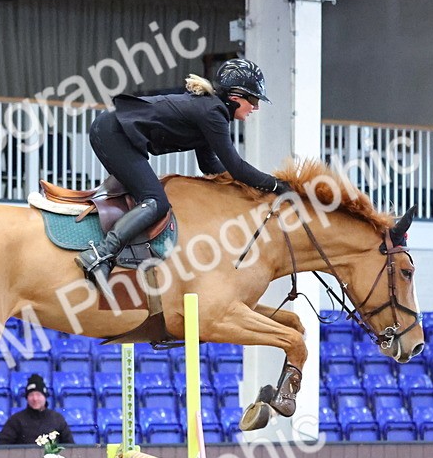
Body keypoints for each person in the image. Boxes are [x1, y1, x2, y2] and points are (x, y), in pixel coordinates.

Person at [75, 58, 288, 293]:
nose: (256, 108)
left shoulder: (211, 110)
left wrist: (242, 190)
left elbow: (209, 165)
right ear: (235, 98)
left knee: (152, 198)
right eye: (254, 100)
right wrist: (276, 185)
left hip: (114, 131)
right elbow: (236, 166)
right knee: (156, 202)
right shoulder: (213, 113)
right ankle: (101, 254)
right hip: (112, 133)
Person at [0, 374, 75, 446]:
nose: (35, 399)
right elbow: (2, 446)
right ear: (27, 398)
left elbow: (70, 446)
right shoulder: (16, 420)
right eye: (31, 395)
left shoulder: (57, 418)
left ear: (45, 397)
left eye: (38, 394)